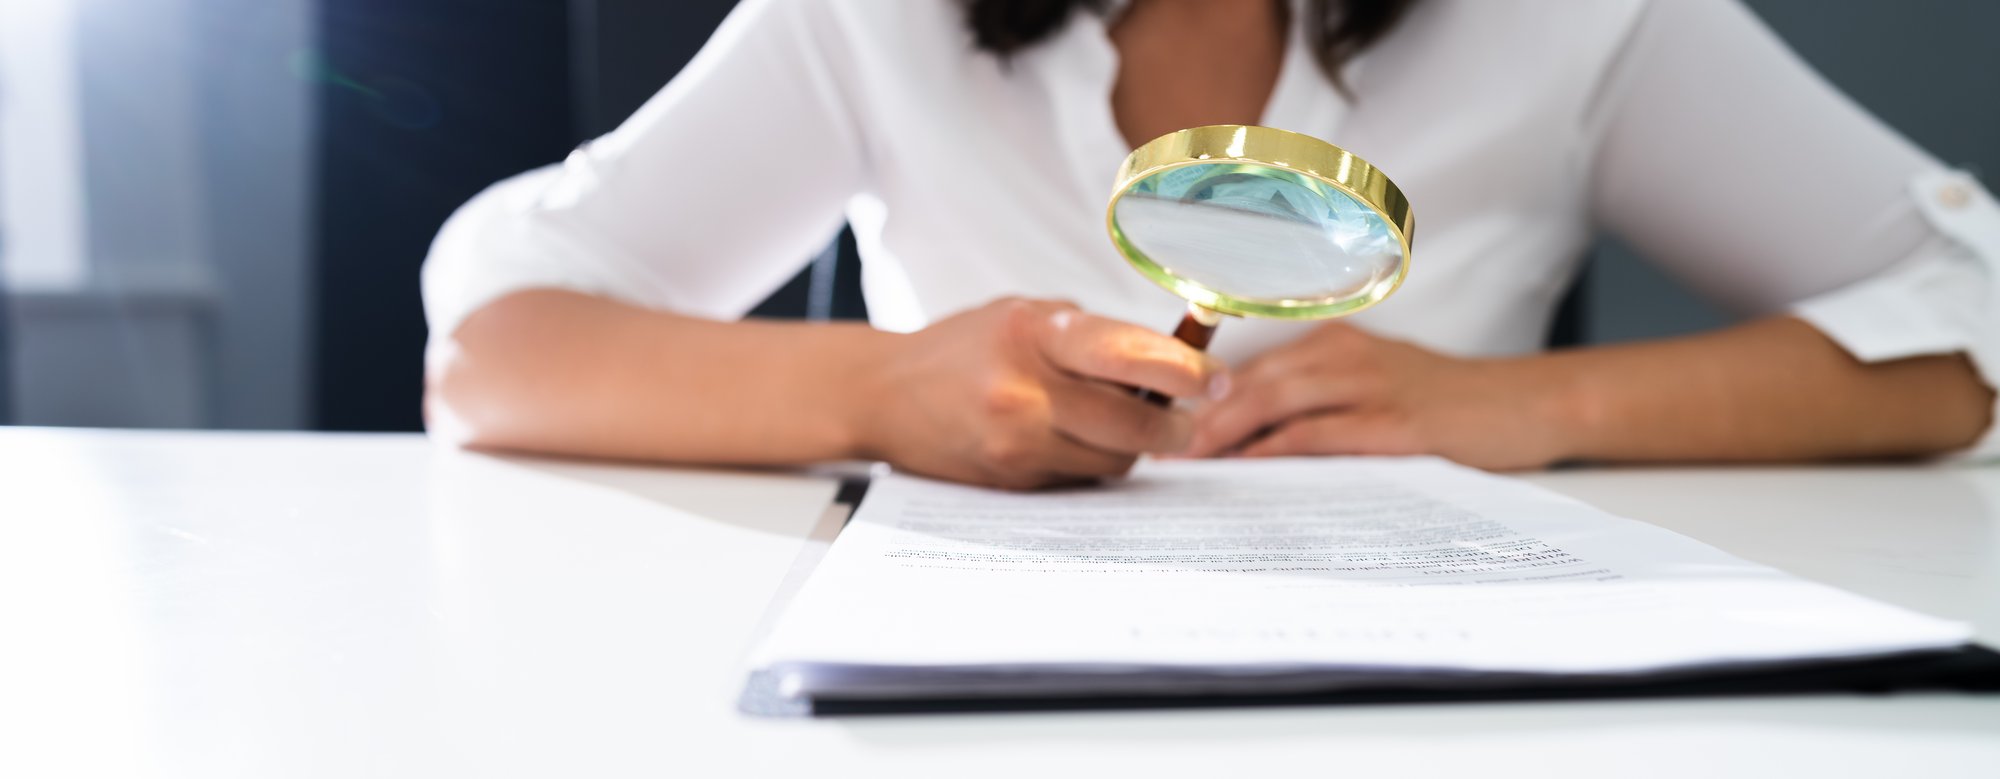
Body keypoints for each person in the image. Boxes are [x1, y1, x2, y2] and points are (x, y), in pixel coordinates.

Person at [422, 0, 1998, 489]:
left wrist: (1539, 408)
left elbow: (1977, 307)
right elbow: (496, 346)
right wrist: (883, 384)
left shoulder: (1575, 19)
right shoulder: (872, 15)